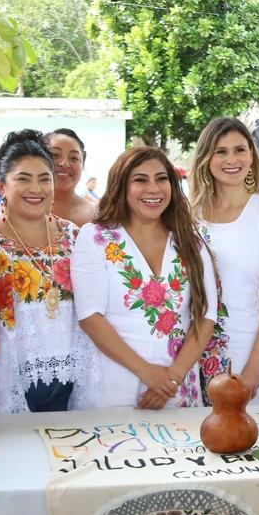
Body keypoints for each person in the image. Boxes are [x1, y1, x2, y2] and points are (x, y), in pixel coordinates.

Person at [71, 146, 217, 410]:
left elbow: (206, 316)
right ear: (121, 186)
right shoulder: (95, 238)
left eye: (161, 179)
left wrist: (171, 379)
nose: (154, 188)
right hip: (111, 388)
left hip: (177, 390)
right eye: (140, 180)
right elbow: (90, 317)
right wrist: (146, 372)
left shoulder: (191, 243)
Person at [0, 130, 86, 412]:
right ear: (1, 186)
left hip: (71, 380)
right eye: (23, 179)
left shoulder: (73, 236)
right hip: (10, 383)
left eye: (45, 179)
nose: (36, 189)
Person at [189, 117, 259, 401]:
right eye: (220, 151)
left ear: (251, 155)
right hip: (186, 346)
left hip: (243, 345)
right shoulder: (189, 216)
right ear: (205, 158)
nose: (231, 159)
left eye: (239, 150)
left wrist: (255, 365)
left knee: (237, 438)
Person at [47, 128, 98, 227]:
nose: (64, 163)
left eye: (74, 158)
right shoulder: (17, 212)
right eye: (55, 155)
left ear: (82, 165)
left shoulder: (99, 216)